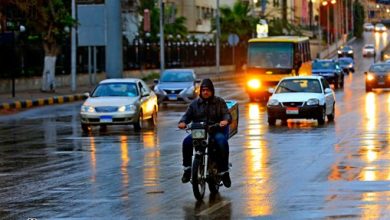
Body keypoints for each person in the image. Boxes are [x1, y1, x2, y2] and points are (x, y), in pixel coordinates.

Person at [178, 78, 232, 187]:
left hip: (215, 130)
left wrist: (225, 121)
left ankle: (224, 171)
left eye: (207, 90)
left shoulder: (219, 102)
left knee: (222, 142)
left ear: (212, 90)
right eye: (203, 90)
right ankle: (187, 169)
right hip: (199, 132)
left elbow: (226, 114)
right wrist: (182, 122)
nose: (205, 92)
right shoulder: (194, 104)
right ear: (200, 91)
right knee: (186, 142)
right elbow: (187, 116)